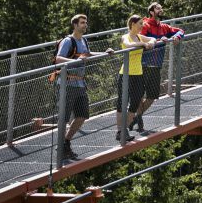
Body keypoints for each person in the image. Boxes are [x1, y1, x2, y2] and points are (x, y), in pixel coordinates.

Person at [53, 14, 106, 163]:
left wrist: (105, 53)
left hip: (80, 84)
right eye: (82, 23)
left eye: (86, 23)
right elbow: (58, 59)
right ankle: (62, 146)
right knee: (63, 118)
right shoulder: (67, 41)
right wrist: (75, 61)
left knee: (82, 114)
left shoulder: (84, 40)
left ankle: (65, 141)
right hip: (66, 84)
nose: (85, 25)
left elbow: (87, 55)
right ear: (75, 25)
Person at [134, 2, 185, 132]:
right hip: (143, 64)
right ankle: (139, 122)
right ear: (151, 12)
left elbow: (180, 31)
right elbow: (139, 40)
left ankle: (135, 117)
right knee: (139, 94)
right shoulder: (145, 25)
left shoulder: (163, 27)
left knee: (152, 96)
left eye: (161, 8)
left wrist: (174, 37)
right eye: (158, 8)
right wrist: (157, 41)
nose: (161, 10)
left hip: (156, 65)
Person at [116, 14, 155, 142]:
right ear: (132, 24)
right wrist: (144, 45)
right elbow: (128, 45)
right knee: (122, 102)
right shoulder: (125, 37)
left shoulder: (139, 36)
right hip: (126, 74)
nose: (141, 26)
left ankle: (125, 129)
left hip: (138, 74)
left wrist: (150, 43)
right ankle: (120, 131)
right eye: (140, 24)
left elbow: (152, 39)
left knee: (135, 102)